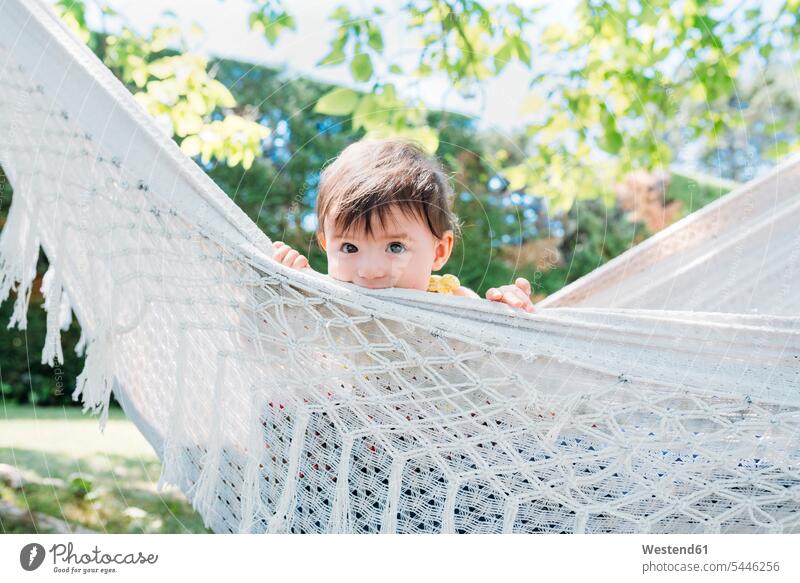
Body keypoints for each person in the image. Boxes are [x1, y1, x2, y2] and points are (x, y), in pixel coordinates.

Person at [272, 138, 535, 313]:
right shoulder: (323, 300)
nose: (370, 271)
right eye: (350, 247)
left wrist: (505, 313)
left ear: (439, 251)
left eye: (395, 247)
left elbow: (488, 352)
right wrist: (286, 292)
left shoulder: (452, 300)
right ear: (326, 245)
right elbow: (285, 346)